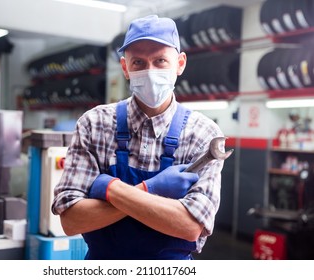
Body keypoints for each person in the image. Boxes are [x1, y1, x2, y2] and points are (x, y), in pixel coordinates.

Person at [52, 14, 226, 260]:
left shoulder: (203, 135)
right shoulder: (94, 124)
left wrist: (109, 188)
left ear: (180, 63)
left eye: (160, 61)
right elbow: (71, 220)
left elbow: (190, 226)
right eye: (139, 63)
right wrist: (151, 188)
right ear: (125, 67)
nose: (150, 72)